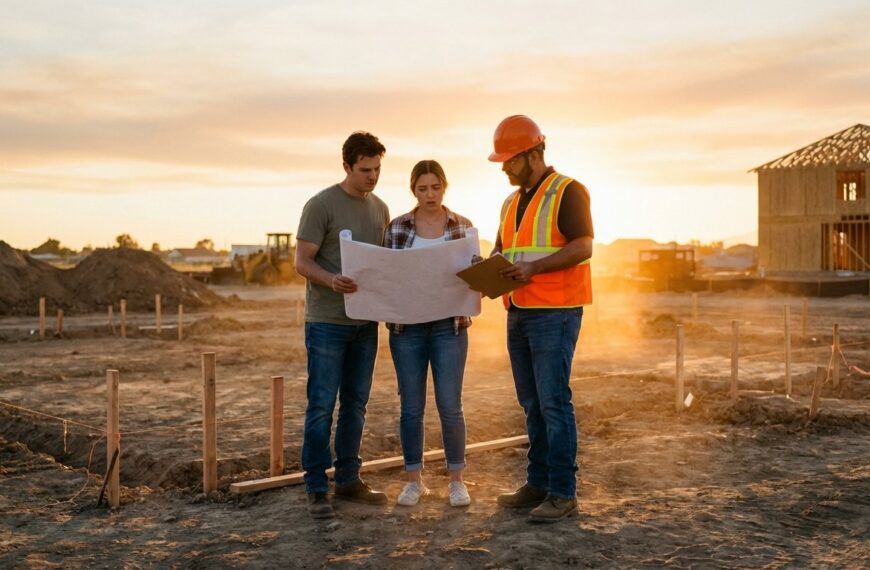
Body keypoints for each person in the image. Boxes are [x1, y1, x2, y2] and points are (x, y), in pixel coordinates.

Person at [488, 115, 594, 523]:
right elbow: (504, 251)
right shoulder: (510, 202)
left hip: (555, 311)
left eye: (510, 160)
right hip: (517, 310)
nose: (504, 168)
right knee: (531, 403)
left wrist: (535, 269)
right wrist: (485, 269)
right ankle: (537, 484)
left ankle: (563, 493)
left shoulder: (568, 191)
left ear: (534, 154)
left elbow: (583, 246)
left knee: (553, 402)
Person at [295, 131, 391, 520]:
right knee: (321, 406)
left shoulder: (381, 209)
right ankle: (317, 487)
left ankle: (349, 480)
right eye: (365, 169)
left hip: (365, 324)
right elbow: (302, 261)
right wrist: (331, 280)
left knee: (356, 404)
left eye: (377, 169)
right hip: (327, 323)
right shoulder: (321, 205)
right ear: (347, 166)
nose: (373, 176)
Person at [383, 160, 474, 508]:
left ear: (444, 187)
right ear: (414, 191)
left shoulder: (462, 226)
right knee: (411, 408)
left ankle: (456, 481)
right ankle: (414, 481)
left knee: (450, 406)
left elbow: (472, 274)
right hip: (407, 329)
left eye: (435, 187)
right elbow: (387, 276)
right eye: (422, 189)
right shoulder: (397, 228)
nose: (430, 194)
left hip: (449, 327)